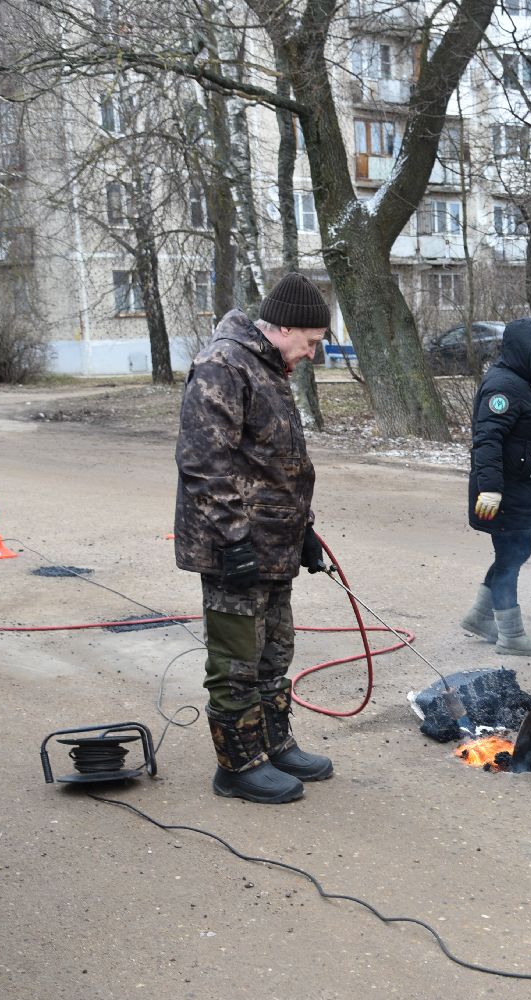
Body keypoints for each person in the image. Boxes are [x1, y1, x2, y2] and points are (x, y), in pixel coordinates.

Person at [174, 272, 332, 805]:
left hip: (274, 544)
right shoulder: (223, 366)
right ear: (283, 327)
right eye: (310, 342)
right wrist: (234, 538)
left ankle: (273, 743)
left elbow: (272, 465)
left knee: (275, 650)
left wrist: (303, 532)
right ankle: (237, 765)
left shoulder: (267, 366)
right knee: (238, 656)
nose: (311, 353)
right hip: (234, 547)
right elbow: (204, 463)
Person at [459, 318, 531, 656]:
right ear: (527, 353)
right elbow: (487, 439)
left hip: (520, 491)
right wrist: (490, 488)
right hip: (503, 495)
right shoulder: (502, 388)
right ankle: (510, 636)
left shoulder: (522, 384)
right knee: (511, 557)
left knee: (515, 553)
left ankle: (480, 616)